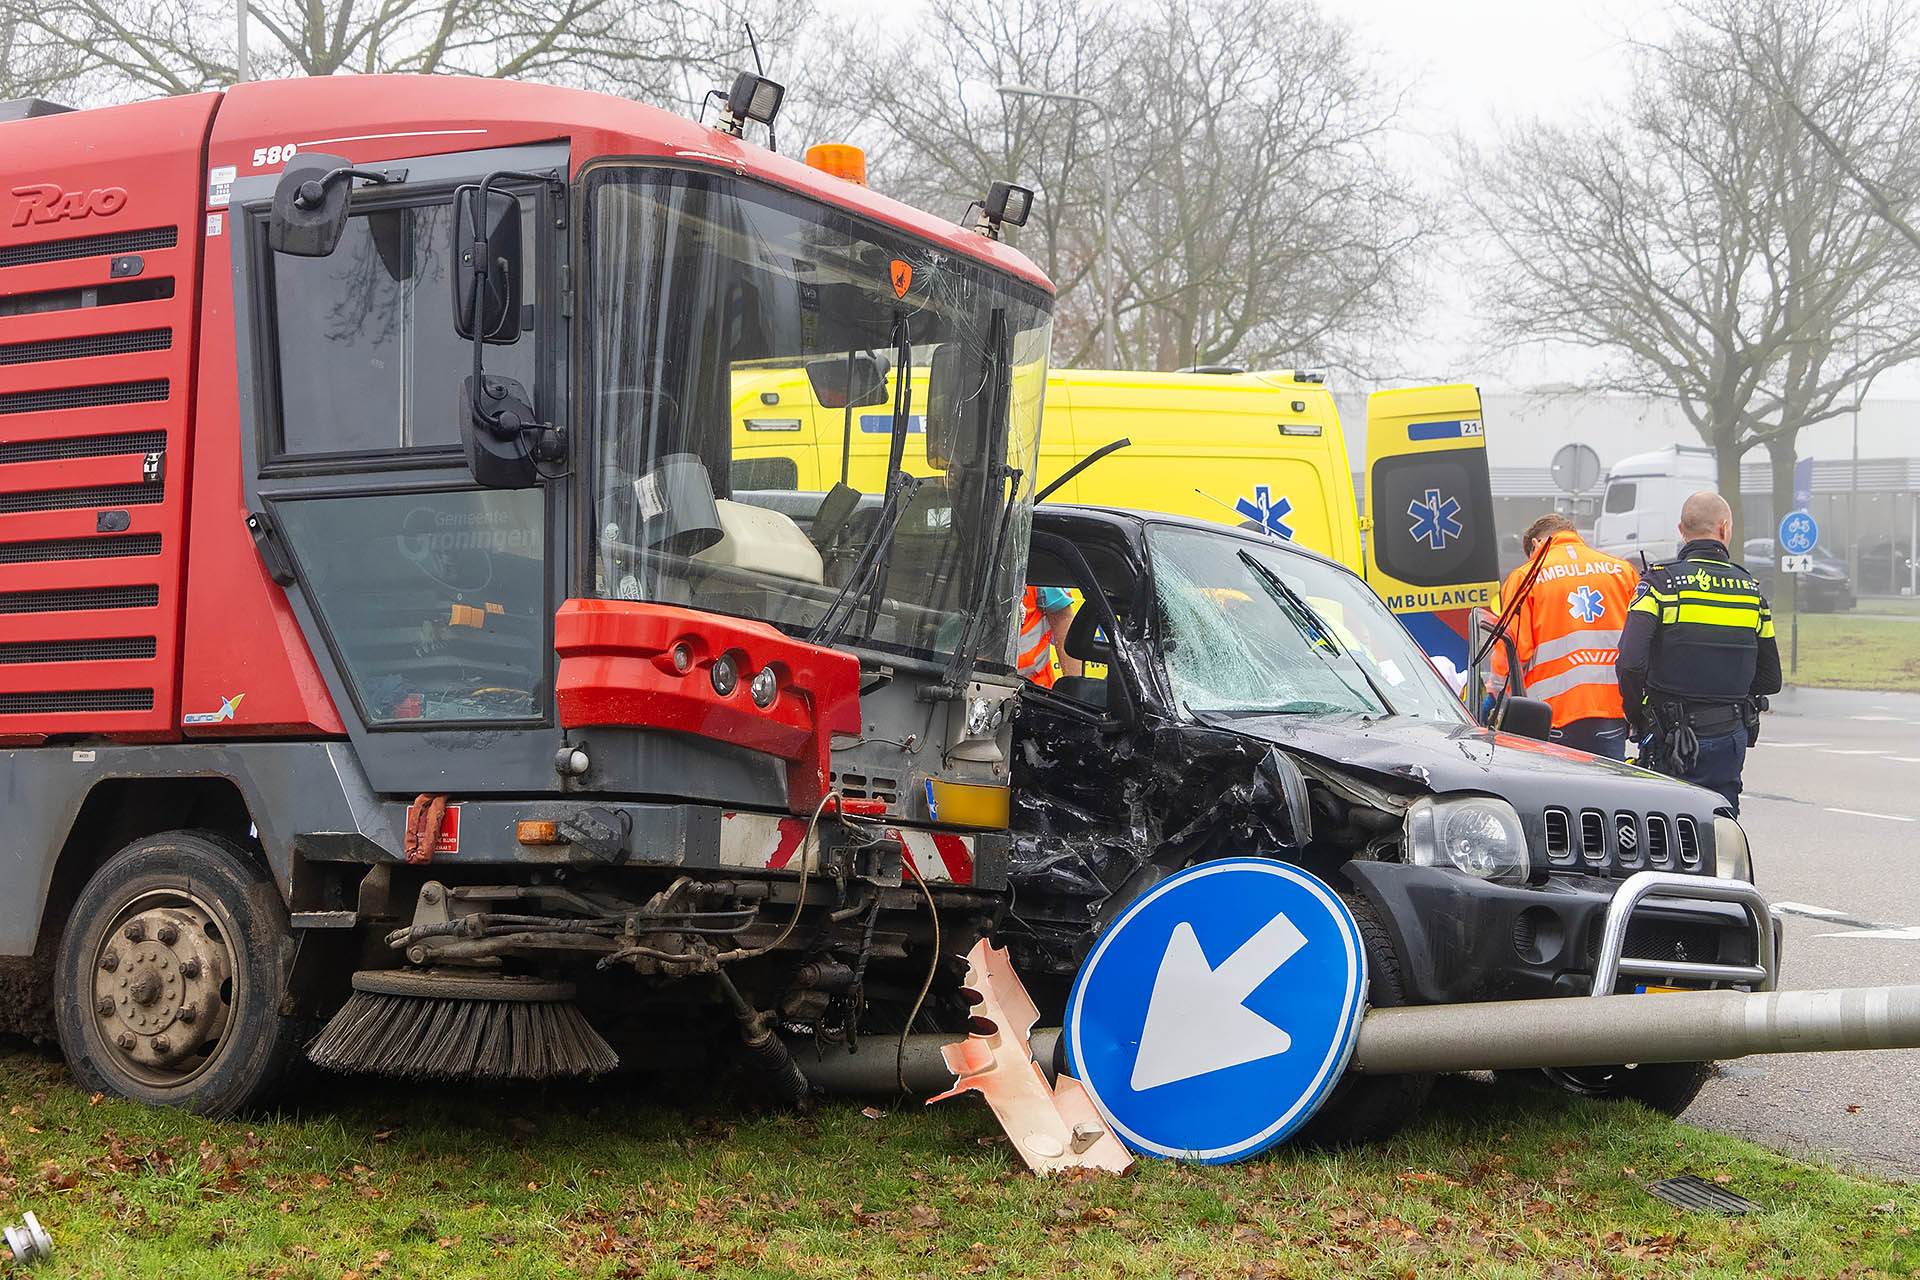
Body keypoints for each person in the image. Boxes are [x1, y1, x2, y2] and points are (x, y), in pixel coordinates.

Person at [1616, 492, 1781, 814]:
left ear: (1681, 529)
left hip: (1669, 735)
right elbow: (1770, 678)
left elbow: (1630, 663)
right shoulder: (1751, 591)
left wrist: (1638, 718)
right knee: (1720, 825)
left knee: (1667, 830)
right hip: (1728, 735)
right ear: (1724, 528)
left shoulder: (1659, 585)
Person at [1487, 514, 1639, 758]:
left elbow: (1513, 649)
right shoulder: (1622, 572)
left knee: (1561, 794)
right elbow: (1639, 647)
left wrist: (1495, 695)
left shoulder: (1527, 577)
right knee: (1609, 793)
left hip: (1552, 716)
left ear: (1536, 544)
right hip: (1611, 713)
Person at [1017, 585, 1080, 687]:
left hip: (1033, 691)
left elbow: (1063, 622)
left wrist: (1074, 690)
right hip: (986, 685)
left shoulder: (1037, 572)